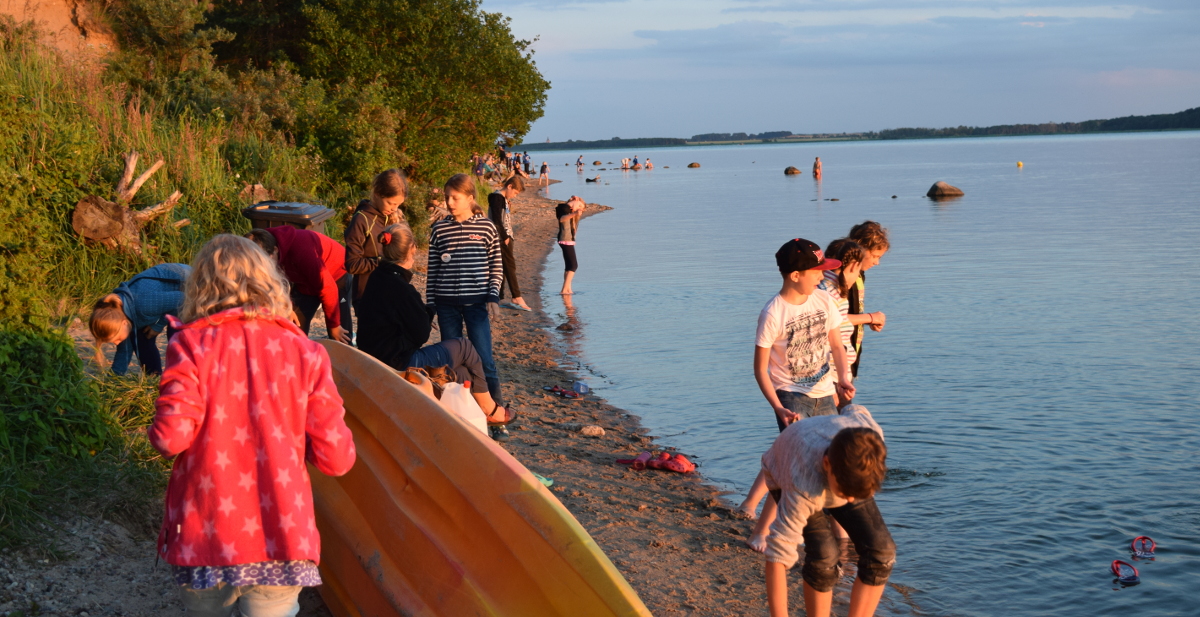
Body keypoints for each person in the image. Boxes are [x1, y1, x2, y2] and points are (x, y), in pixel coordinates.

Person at [148, 234, 356, 616]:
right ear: (268, 280)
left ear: (199, 288)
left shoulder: (189, 345)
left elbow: (170, 438)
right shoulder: (306, 353)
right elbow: (337, 459)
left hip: (205, 535)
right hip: (281, 535)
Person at [739, 238, 855, 552]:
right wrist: (777, 407)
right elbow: (760, 369)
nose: (822, 276)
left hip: (826, 392)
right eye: (816, 271)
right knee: (798, 470)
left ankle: (842, 541)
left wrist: (843, 377)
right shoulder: (773, 312)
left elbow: (837, 345)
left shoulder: (822, 300)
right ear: (794, 275)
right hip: (791, 396)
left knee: (835, 465)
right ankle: (761, 532)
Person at [357, 224, 515, 425]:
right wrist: (428, 312)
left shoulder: (376, 278)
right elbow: (421, 334)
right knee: (464, 347)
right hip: (396, 363)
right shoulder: (402, 289)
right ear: (411, 250)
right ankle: (490, 410)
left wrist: (421, 314)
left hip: (373, 360)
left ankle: (468, 419)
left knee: (463, 373)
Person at [761, 406, 894, 617]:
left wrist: (844, 399)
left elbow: (856, 411)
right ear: (827, 464)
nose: (849, 500)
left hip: (836, 462)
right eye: (845, 492)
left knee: (882, 552)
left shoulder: (870, 435)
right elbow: (777, 558)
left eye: (856, 494)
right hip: (787, 465)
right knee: (824, 556)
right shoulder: (802, 486)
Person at [426, 173, 506, 407]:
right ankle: (459, 410)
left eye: (455, 198)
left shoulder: (487, 227)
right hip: (446, 305)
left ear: (470, 198)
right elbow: (433, 271)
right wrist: (430, 306)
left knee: (484, 359)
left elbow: (496, 266)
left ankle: (496, 413)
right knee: (451, 362)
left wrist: (493, 296)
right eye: (446, 197)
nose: (449, 203)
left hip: (476, 305)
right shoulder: (439, 229)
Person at [245, 227, 352, 344]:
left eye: (265, 262)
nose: (263, 267)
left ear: (275, 250)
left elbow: (328, 288)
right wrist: (287, 305)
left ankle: (347, 356)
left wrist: (334, 326)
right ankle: (299, 356)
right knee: (292, 327)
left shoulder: (302, 250)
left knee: (340, 334)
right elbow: (275, 282)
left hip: (335, 275)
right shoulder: (258, 244)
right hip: (302, 281)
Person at [90, 263, 191, 376]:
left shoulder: (143, 305)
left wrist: (157, 325)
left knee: (175, 334)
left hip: (190, 287)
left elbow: (182, 299)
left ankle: (183, 376)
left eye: (116, 339)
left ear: (123, 323)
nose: (116, 343)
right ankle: (154, 377)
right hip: (165, 301)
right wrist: (113, 379)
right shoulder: (120, 315)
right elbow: (124, 352)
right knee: (142, 337)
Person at [817, 239, 882, 409]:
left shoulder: (833, 290)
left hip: (838, 377)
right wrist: (831, 386)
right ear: (853, 266)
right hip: (831, 380)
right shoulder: (830, 294)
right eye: (858, 271)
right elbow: (823, 343)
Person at [345, 169, 407, 340]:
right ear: (378, 194)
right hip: (367, 296)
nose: (394, 208)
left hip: (389, 293)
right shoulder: (361, 220)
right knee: (374, 347)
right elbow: (352, 264)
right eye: (390, 203)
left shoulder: (390, 217)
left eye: (398, 205)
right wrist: (382, 262)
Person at [846, 221, 890, 379]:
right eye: (875, 256)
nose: (877, 262)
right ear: (861, 249)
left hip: (851, 355)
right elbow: (832, 318)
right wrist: (870, 317)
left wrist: (866, 321)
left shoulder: (858, 274)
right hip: (835, 361)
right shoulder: (841, 278)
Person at [488, 176, 533, 311]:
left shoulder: (502, 199)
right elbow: (496, 219)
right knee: (509, 266)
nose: (514, 196)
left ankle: (500, 297)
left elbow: (501, 216)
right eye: (515, 192)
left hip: (505, 236)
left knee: (501, 266)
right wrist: (504, 236)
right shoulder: (497, 198)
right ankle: (516, 296)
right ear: (509, 186)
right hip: (501, 237)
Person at [556, 195, 585, 295]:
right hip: (565, 239)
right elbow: (562, 219)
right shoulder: (564, 208)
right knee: (573, 265)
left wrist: (575, 210)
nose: (581, 208)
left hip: (567, 240)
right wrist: (575, 211)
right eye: (580, 206)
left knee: (569, 266)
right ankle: (564, 289)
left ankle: (568, 288)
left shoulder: (568, 210)